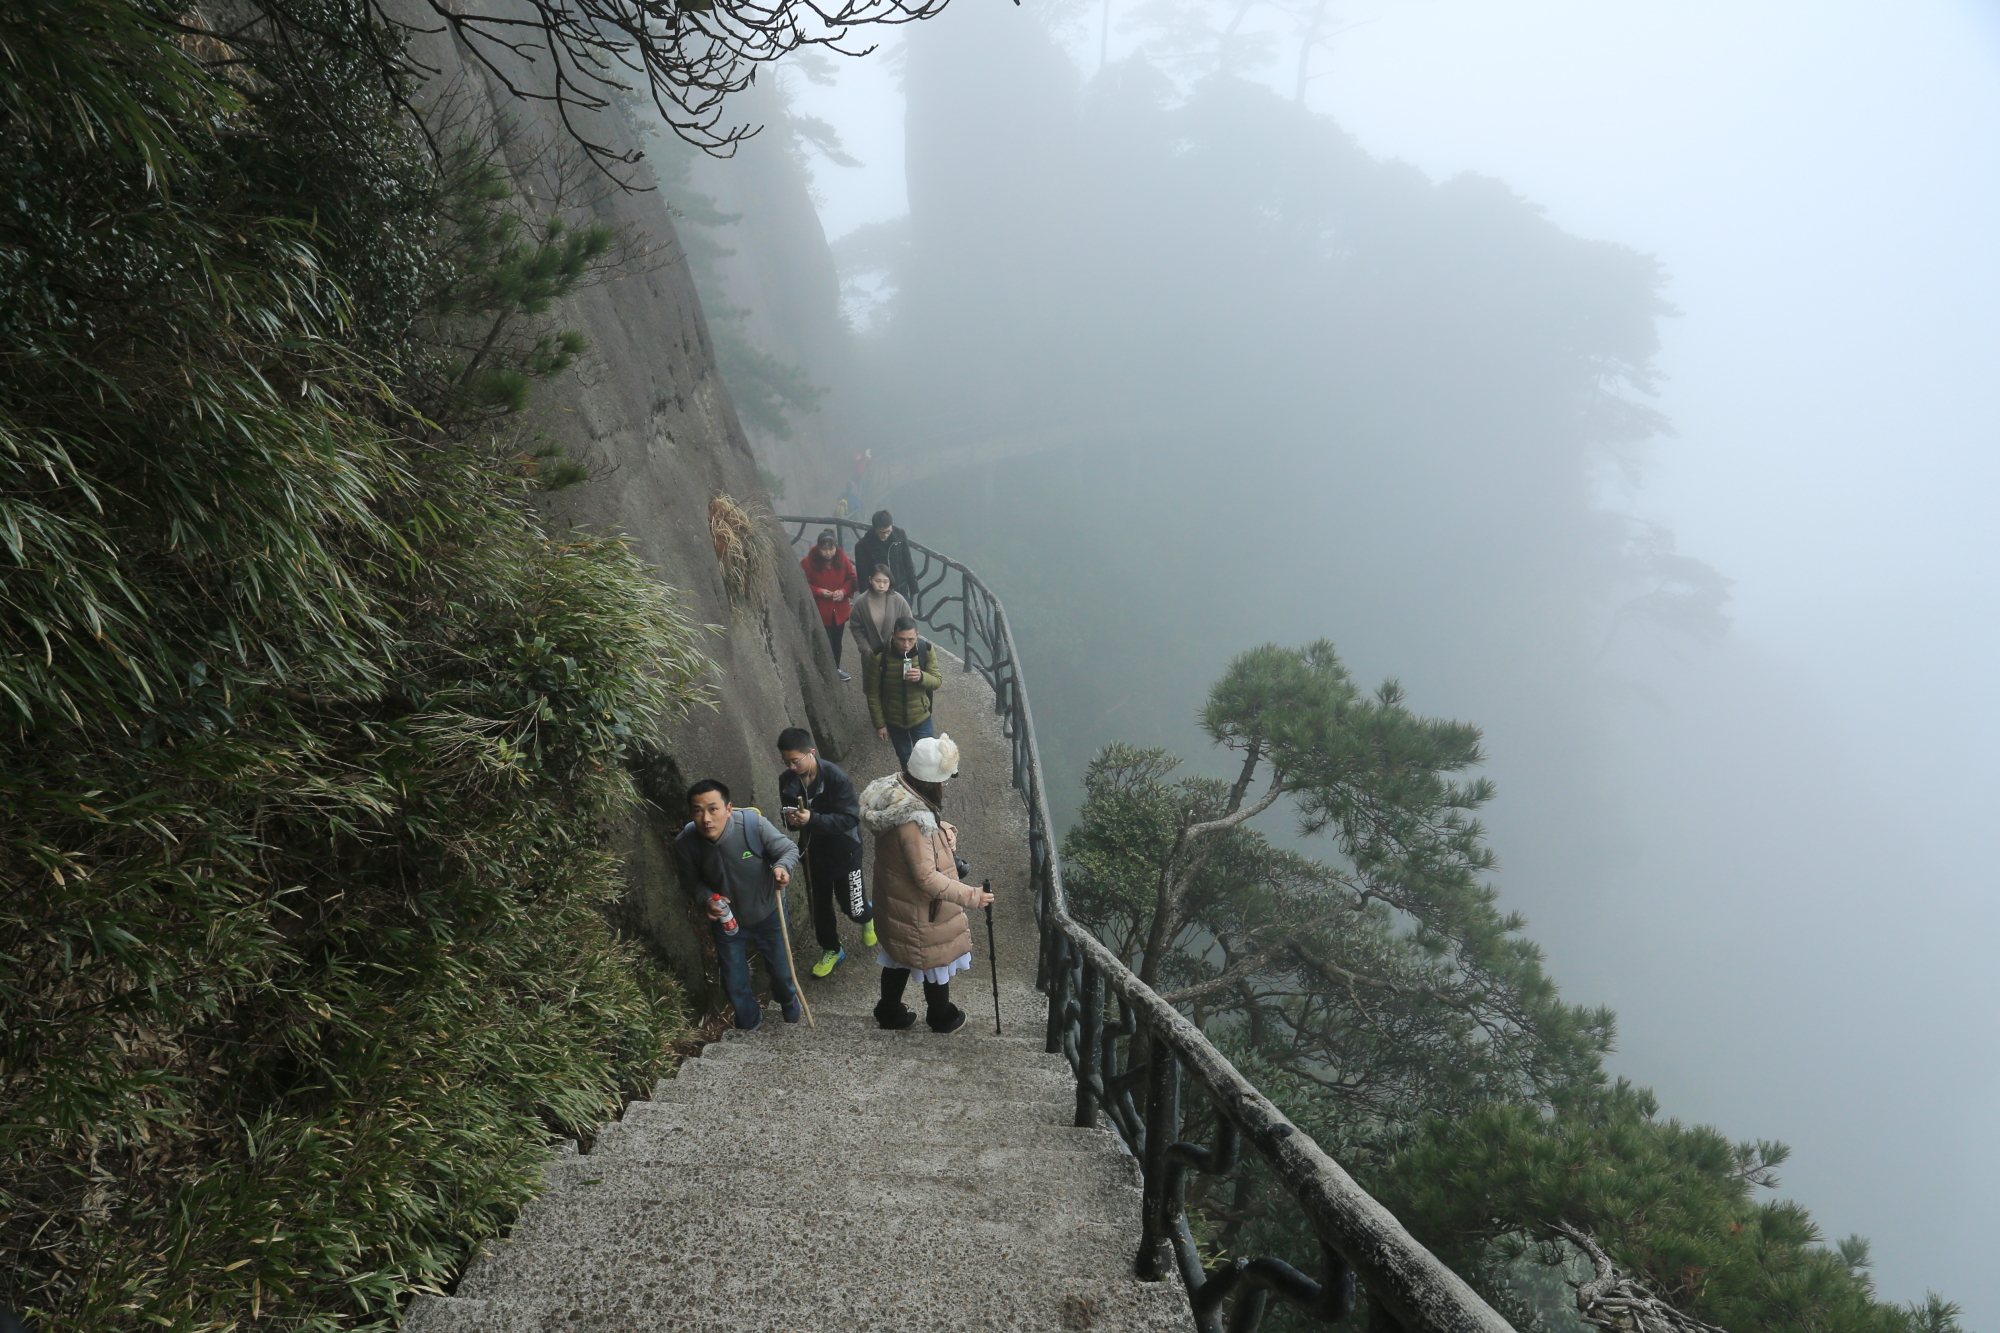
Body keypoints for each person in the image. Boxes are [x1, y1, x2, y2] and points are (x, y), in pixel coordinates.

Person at [859, 734, 993, 1033]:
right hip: (921, 910)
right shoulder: (914, 823)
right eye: (943, 781)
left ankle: (888, 1011)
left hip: (897, 901)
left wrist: (943, 827)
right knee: (934, 960)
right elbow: (928, 878)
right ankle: (941, 1016)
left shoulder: (897, 793)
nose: (945, 786)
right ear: (931, 782)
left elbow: (911, 838)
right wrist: (973, 896)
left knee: (898, 957)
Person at [674, 779, 803, 1031]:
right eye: (698, 810)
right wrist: (707, 898)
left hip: (769, 912)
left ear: (729, 808)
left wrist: (781, 868)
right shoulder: (687, 843)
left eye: (713, 809)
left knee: (781, 970)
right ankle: (750, 1023)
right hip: (728, 921)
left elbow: (788, 849)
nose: (706, 818)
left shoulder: (753, 826)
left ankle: (788, 1000)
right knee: (734, 981)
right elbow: (690, 882)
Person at [776, 726, 876, 977]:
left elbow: (850, 818)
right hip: (813, 853)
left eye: (795, 761)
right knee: (819, 906)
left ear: (811, 752)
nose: (790, 767)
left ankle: (866, 914)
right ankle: (831, 949)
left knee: (851, 906)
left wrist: (813, 819)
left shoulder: (836, 778)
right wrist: (792, 821)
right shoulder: (786, 781)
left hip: (845, 851)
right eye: (786, 761)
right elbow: (788, 819)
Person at [864, 616, 942, 770]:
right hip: (894, 718)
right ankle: (912, 787)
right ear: (893, 635)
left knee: (928, 756)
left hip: (921, 716)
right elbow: (872, 692)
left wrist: (921, 677)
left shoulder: (925, 650)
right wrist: (879, 725)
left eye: (911, 639)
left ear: (917, 636)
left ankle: (929, 788)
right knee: (905, 757)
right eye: (901, 639)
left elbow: (937, 681)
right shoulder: (879, 654)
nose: (906, 645)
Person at [800, 527, 858, 681]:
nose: (828, 553)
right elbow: (802, 584)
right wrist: (819, 591)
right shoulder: (808, 562)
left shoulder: (842, 559)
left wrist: (844, 592)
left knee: (837, 642)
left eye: (831, 549)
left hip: (839, 609)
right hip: (821, 610)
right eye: (824, 549)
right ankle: (824, 670)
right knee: (825, 642)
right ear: (818, 548)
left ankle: (836, 669)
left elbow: (852, 578)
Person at [852, 509, 918, 605]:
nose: (885, 535)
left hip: (900, 589)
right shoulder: (863, 545)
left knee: (904, 618)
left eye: (888, 531)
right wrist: (866, 597)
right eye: (881, 532)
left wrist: (913, 587)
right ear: (875, 528)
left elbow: (907, 561)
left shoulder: (899, 535)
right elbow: (862, 574)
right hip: (877, 592)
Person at [848, 563, 912, 661]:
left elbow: (909, 624)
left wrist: (904, 645)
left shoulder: (898, 600)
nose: (881, 585)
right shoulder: (862, 602)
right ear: (870, 580)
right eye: (877, 581)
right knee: (871, 676)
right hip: (871, 655)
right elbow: (855, 626)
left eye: (885, 582)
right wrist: (865, 648)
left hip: (896, 653)